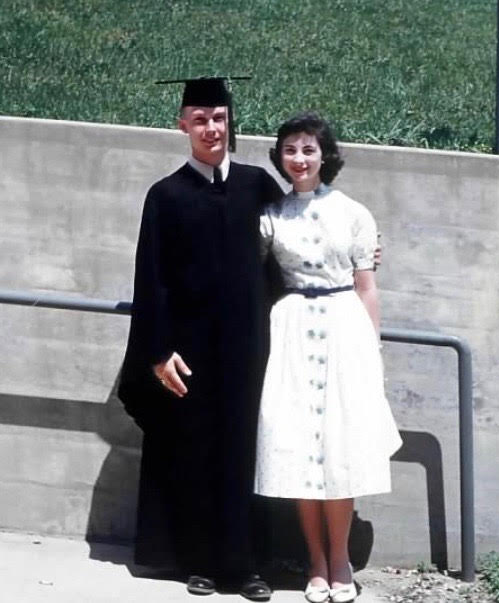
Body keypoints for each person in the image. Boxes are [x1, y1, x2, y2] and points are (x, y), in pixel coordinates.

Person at [118, 76, 283, 600]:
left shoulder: (258, 185)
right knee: (196, 451)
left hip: (251, 346)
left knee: (247, 450)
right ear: (182, 125)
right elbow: (151, 280)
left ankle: (248, 565)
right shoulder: (165, 195)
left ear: (230, 124)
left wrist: (359, 253)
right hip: (188, 351)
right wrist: (158, 353)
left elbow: (294, 249)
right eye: (200, 119)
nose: (211, 128)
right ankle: (202, 563)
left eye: (219, 119)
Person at [253, 113, 402, 603]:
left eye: (308, 150)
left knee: (339, 446)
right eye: (290, 150)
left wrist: (371, 352)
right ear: (280, 157)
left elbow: (367, 287)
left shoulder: (354, 213)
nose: (299, 159)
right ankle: (315, 563)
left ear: (325, 155)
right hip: (292, 328)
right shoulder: (271, 214)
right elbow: (250, 268)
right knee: (298, 447)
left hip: (343, 328)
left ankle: (341, 559)